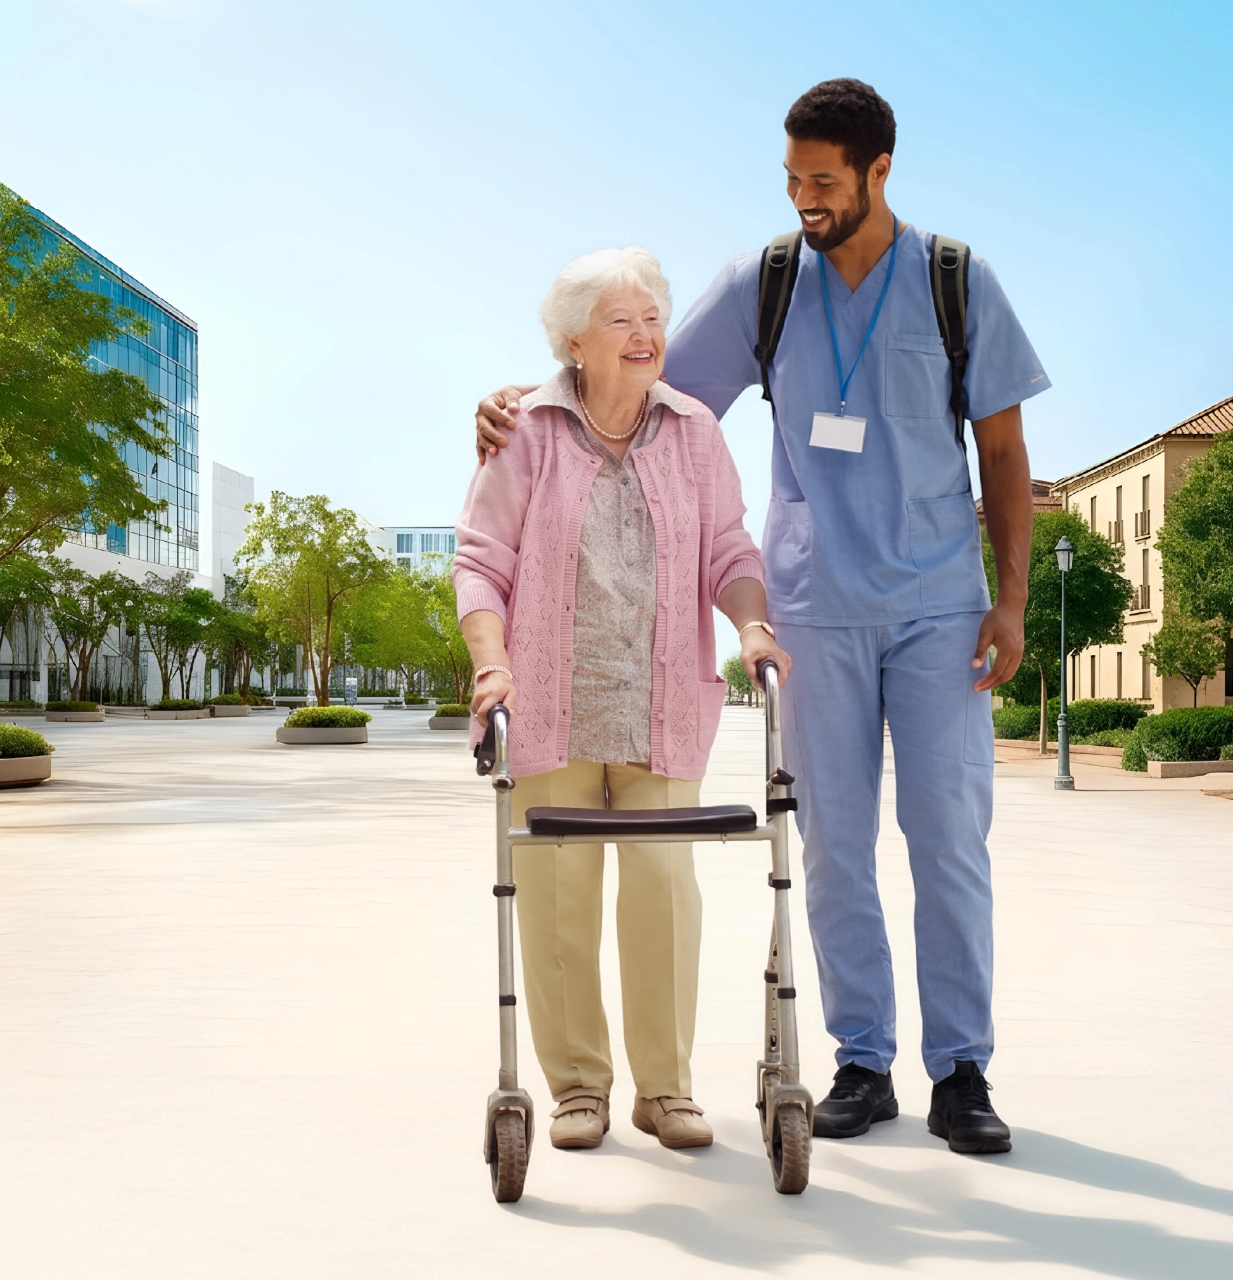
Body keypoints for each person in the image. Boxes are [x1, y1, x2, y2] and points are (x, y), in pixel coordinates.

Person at [473, 81, 1044, 1155]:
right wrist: (518, 401)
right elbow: (632, 380)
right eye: (791, 180)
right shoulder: (765, 283)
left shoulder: (959, 282)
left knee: (948, 841)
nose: (803, 200)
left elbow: (1006, 454)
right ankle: (862, 1056)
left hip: (937, 607)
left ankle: (962, 1068)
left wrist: (1011, 597)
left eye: (822, 181)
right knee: (830, 844)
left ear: (880, 171)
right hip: (812, 606)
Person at [454, 246, 790, 1153]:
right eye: (621, 320)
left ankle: (666, 1089)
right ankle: (576, 1088)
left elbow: (730, 549)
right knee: (559, 897)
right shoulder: (522, 429)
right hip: (550, 701)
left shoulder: (693, 432)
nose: (645, 336)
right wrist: (491, 670)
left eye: (652, 318)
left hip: (660, 705)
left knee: (662, 891)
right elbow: (481, 562)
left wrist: (752, 628)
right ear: (573, 339)